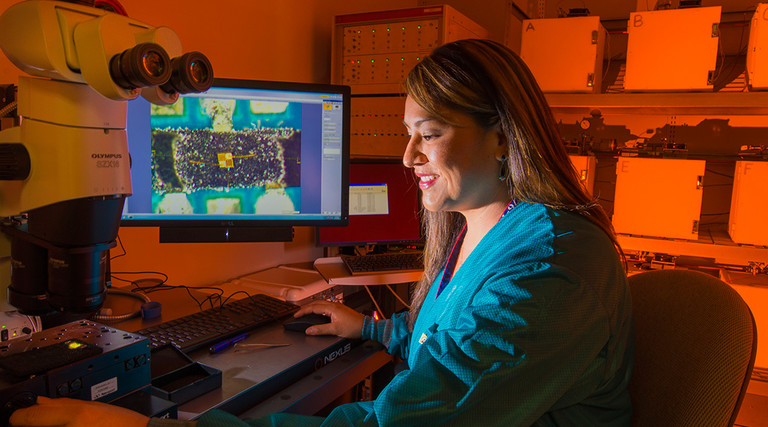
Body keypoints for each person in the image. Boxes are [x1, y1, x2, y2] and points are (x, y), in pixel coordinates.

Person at [10, 38, 633, 427]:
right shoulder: (487, 229)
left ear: (502, 135)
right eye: (408, 133)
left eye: (431, 133)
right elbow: (450, 342)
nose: (408, 157)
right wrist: (371, 329)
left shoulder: (551, 265)